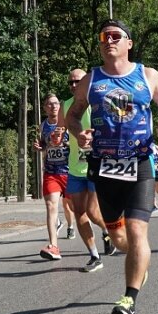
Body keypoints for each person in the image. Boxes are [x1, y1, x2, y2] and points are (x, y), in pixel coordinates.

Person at [66, 19, 158, 314]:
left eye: (116, 36)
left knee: (138, 231)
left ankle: (129, 298)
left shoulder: (147, 75)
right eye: (104, 36)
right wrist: (79, 134)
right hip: (104, 166)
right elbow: (72, 115)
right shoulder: (92, 79)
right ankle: (139, 263)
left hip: (140, 163)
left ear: (128, 43)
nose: (109, 40)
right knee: (117, 237)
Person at [57, 68, 114, 272]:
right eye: (70, 82)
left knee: (92, 211)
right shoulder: (65, 106)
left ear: (87, 82)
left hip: (97, 165)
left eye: (77, 82)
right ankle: (94, 255)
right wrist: (50, 141)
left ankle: (107, 230)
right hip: (74, 167)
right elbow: (60, 132)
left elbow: (113, 127)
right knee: (78, 212)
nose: (73, 86)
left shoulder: (98, 103)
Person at [34, 93, 73, 260]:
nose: (53, 106)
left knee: (75, 209)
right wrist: (40, 147)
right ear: (45, 108)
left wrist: (63, 142)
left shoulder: (69, 122)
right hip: (51, 172)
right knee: (51, 206)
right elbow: (44, 145)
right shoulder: (43, 126)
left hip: (71, 171)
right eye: (49, 104)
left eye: (56, 103)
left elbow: (80, 142)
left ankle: (102, 232)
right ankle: (54, 246)